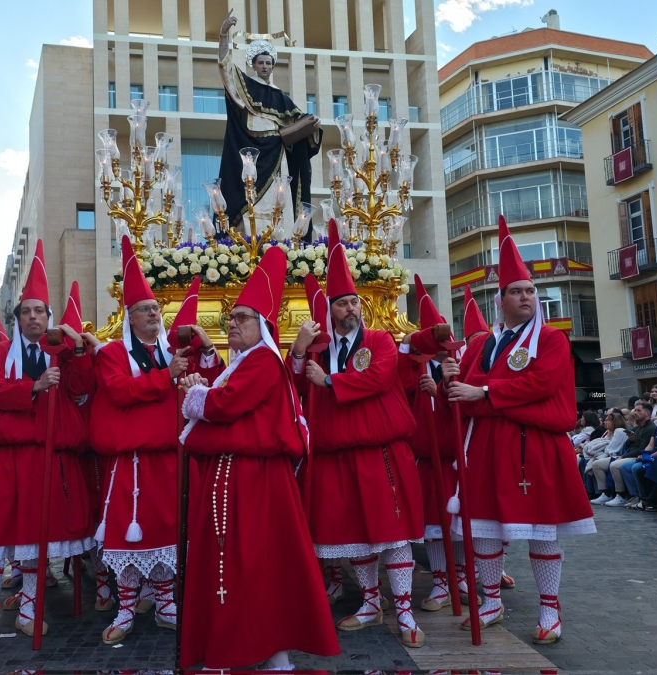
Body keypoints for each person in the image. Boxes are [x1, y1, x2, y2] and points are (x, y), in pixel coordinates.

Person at [177, 244, 339, 668]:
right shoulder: (248, 361)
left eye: (241, 319)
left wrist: (197, 396)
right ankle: (267, 654)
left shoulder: (263, 361)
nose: (232, 324)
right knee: (255, 567)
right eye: (230, 318)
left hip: (250, 480)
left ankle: (244, 649)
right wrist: (202, 392)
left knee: (245, 565)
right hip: (245, 476)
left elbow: (223, 405)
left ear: (262, 325)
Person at [0, 240, 98, 652]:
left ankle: (30, 608)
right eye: (26, 311)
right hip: (6, 458)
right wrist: (35, 386)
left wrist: (78, 353)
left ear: (47, 317)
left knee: (33, 536)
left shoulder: (59, 351)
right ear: (18, 316)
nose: (32, 317)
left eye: (39, 311)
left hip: (46, 458)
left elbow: (82, 391)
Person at [446, 216, 595, 644]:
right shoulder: (483, 343)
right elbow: (464, 387)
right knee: (488, 527)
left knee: (540, 530)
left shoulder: (550, 339)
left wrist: (485, 395)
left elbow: (541, 384)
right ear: (502, 299)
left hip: (537, 447)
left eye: (531, 291)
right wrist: (447, 381)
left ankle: (550, 607)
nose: (527, 296)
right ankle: (490, 600)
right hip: (490, 448)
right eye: (517, 291)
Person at [288, 231, 425, 648]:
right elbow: (290, 390)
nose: (351, 308)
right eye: (343, 303)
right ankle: (370, 602)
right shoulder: (317, 350)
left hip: (379, 452)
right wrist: (297, 353)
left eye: (354, 303)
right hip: (334, 454)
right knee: (353, 533)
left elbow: (380, 377)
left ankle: (404, 609)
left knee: (392, 531)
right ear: (329, 311)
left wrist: (329, 380)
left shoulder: (380, 340)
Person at [90, 241, 223, 644]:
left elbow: (211, 381)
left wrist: (208, 350)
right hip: (129, 460)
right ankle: (126, 608)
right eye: (145, 310)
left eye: (155, 309)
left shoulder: (174, 351)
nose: (154, 314)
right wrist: (165, 379)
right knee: (127, 536)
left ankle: (166, 602)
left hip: (168, 455)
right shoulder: (113, 353)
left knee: (167, 531)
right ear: (129, 317)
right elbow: (118, 391)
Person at [216, 9, 321, 232]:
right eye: (260, 62)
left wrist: (313, 126)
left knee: (278, 196)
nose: (264, 66)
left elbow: (298, 119)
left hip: (276, 151)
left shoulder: (281, 96)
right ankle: (250, 236)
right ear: (253, 65)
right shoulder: (246, 86)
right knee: (250, 197)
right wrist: (223, 36)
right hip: (252, 149)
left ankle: (278, 237)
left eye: (268, 63)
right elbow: (225, 68)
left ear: (273, 66)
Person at [396, 275, 462, 613]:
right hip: (425, 459)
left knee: (464, 527)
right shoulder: (415, 367)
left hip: (457, 462)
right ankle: (440, 582)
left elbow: (470, 410)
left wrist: (445, 390)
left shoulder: (458, 365)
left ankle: (462, 578)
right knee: (435, 528)